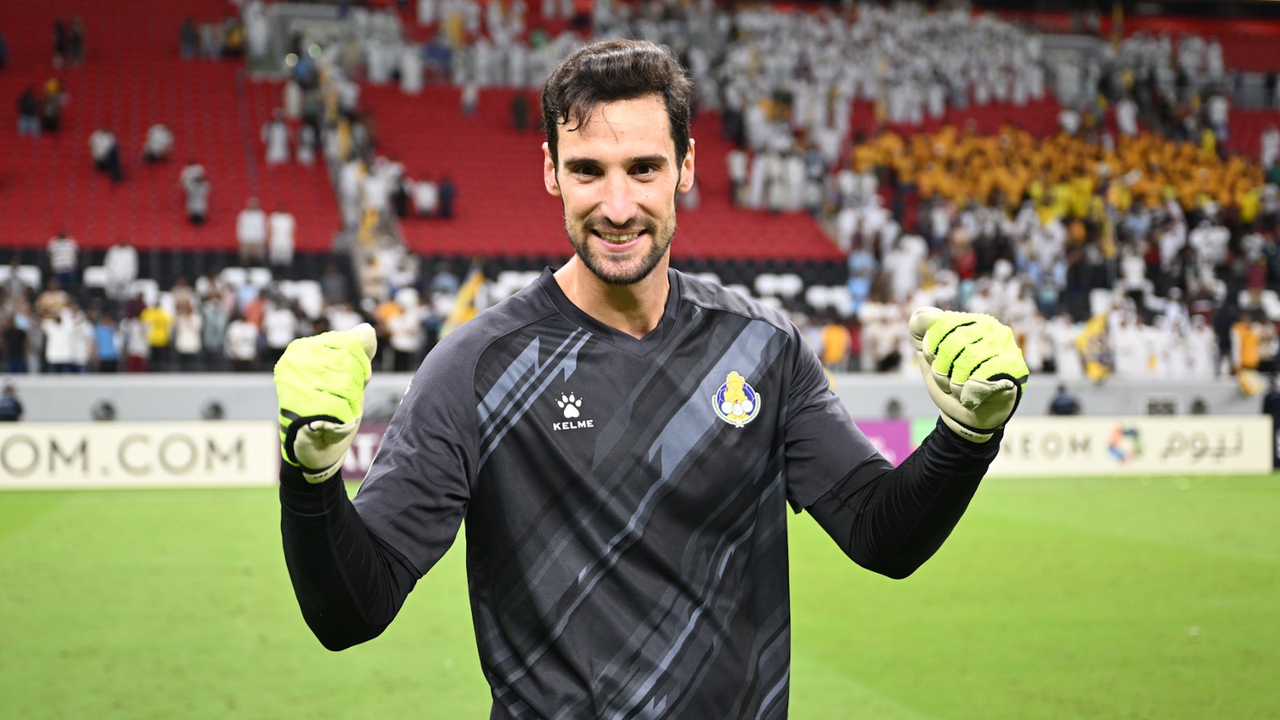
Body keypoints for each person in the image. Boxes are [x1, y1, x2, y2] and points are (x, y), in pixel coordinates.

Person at [273, 40, 1029, 719]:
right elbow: (352, 614)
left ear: (686, 166)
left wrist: (965, 438)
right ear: (550, 171)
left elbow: (881, 533)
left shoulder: (763, 347)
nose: (618, 206)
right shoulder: (474, 368)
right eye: (587, 171)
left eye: (643, 168)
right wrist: (310, 480)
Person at [237, 198, 268, 265]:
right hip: (246, 239)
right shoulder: (243, 214)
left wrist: (263, 238)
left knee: (258, 257)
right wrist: (241, 238)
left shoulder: (261, 215)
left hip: (258, 239)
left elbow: (264, 227)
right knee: (245, 257)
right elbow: (240, 227)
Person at [1264, 375, 1280, 469]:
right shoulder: (1269, 396)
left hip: (1273, 422)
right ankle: (1275, 463)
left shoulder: (1269, 396)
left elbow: (1264, 411)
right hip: (1272, 423)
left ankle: (1276, 463)